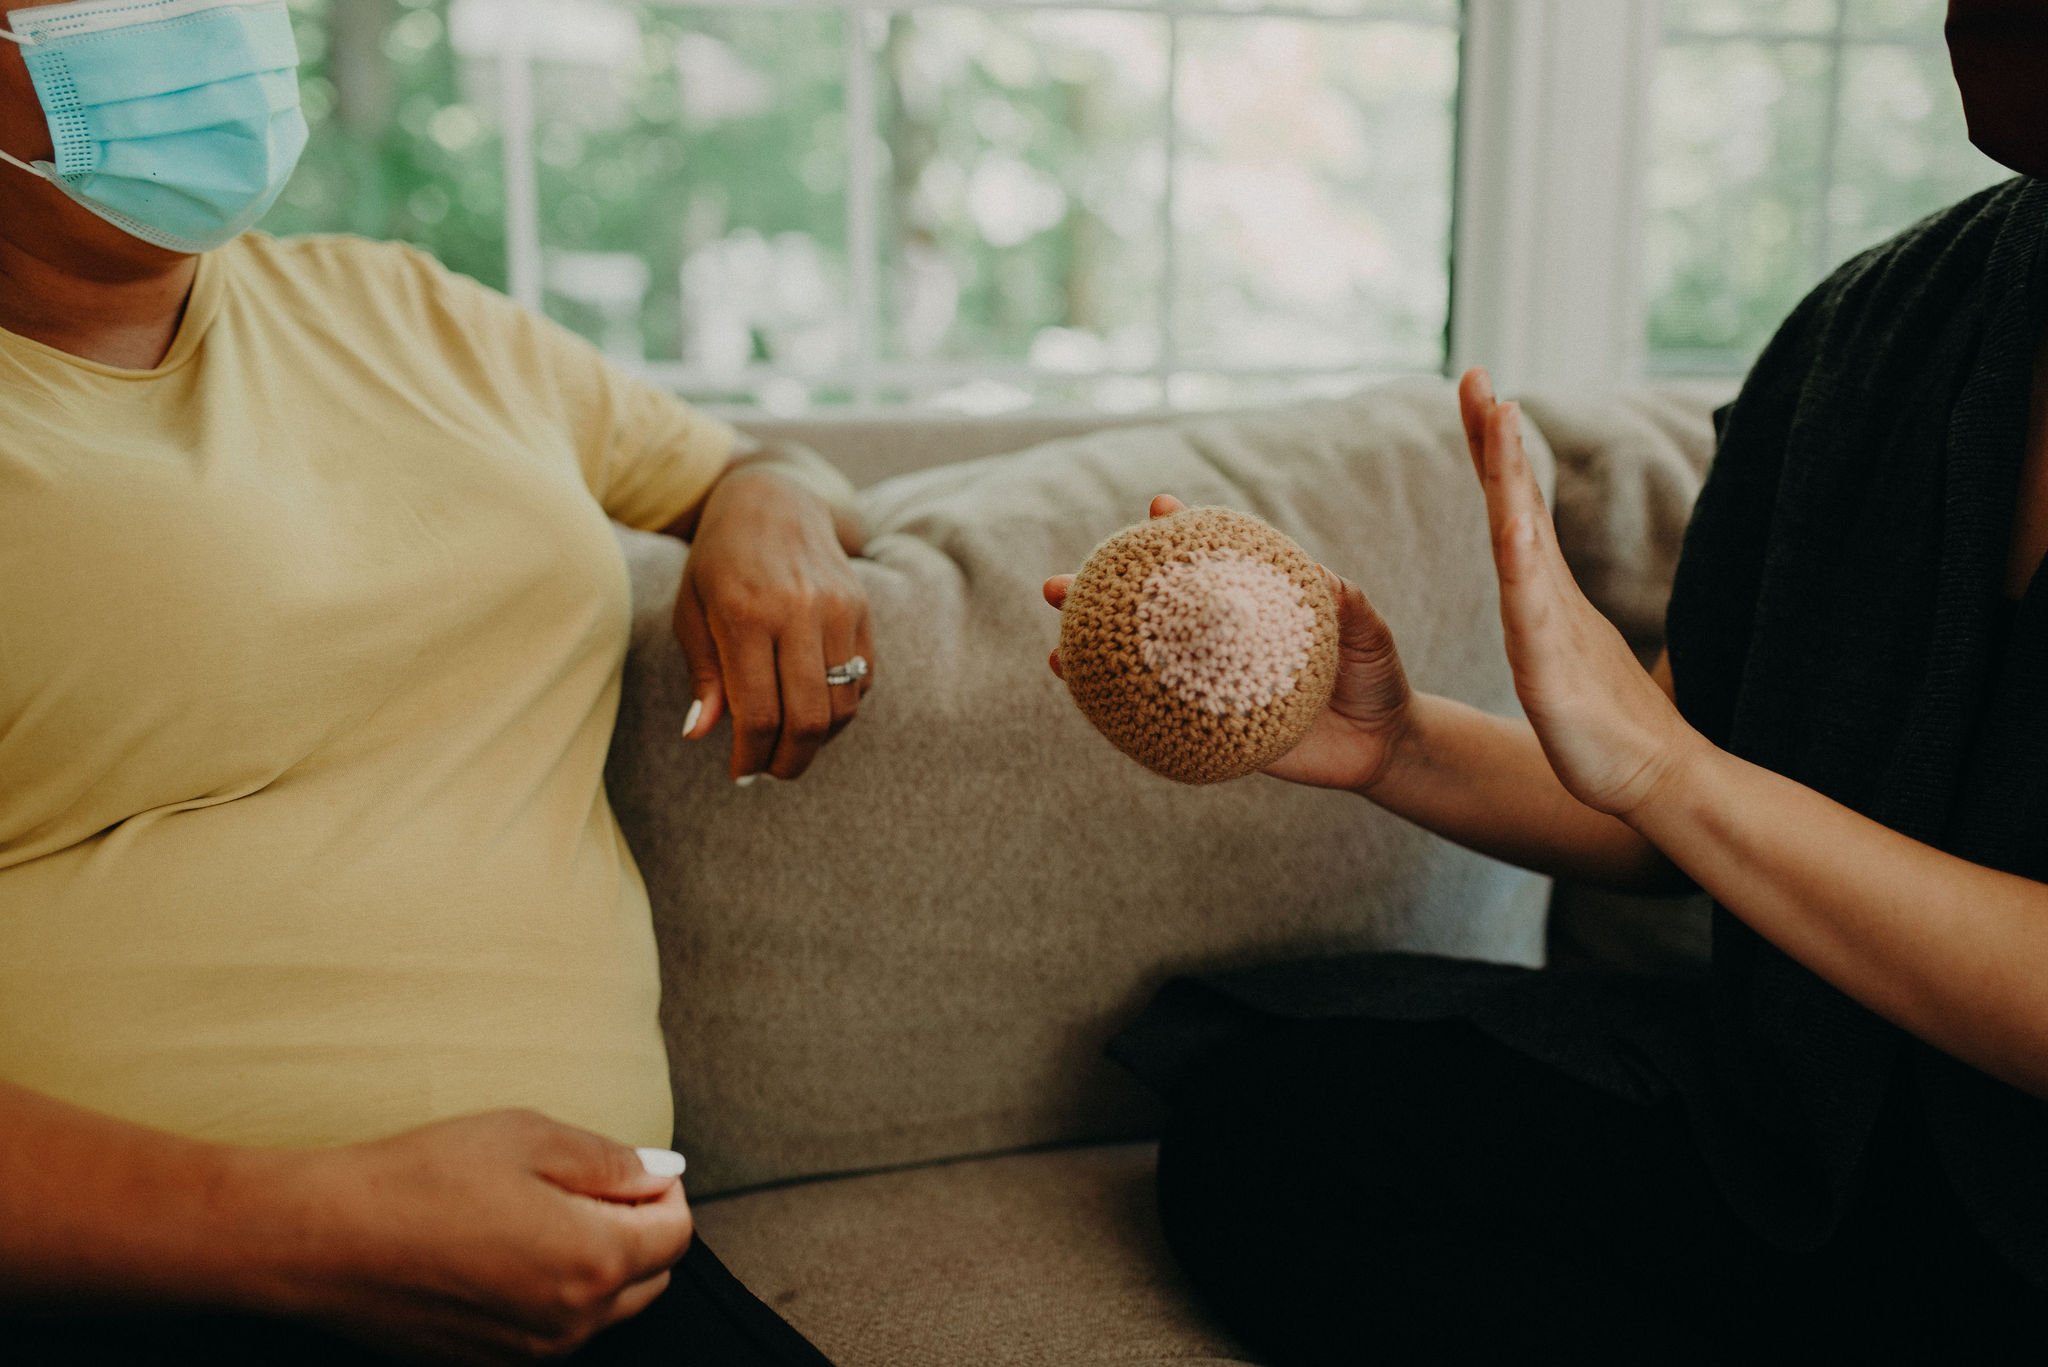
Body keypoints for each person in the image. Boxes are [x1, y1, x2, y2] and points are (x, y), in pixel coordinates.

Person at [1045, 1, 2048, 1359]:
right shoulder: (1877, 329)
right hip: (1810, 1134)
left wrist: (1673, 771)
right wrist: (1392, 741)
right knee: (1271, 1130)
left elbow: (1675, 774)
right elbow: (1665, 808)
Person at [0, 1, 866, 1362]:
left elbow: (753, 464)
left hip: (609, 1282)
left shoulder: (397, 307)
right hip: (140, 1307)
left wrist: (770, 521)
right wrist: (295, 1227)